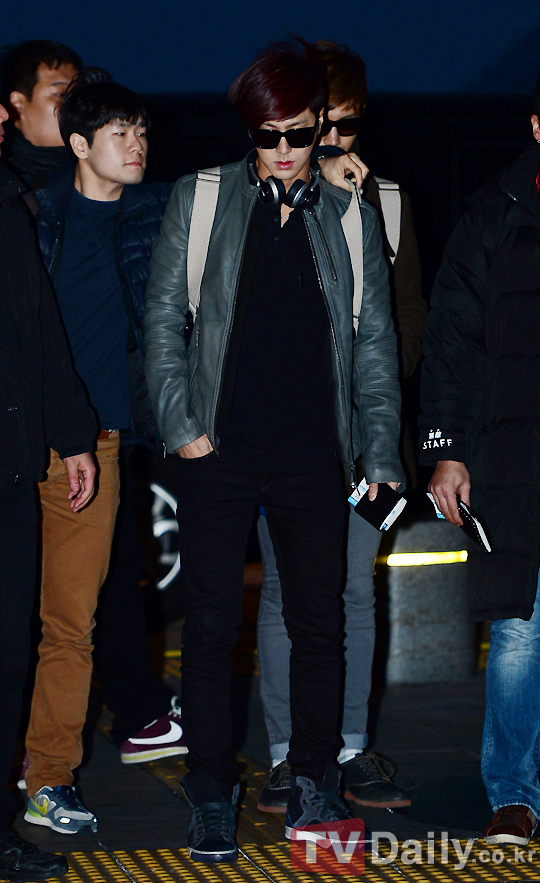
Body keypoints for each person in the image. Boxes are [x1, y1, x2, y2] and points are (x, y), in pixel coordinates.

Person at [144, 39, 404, 864]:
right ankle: (211, 790)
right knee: (212, 624)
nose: (285, 150)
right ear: (248, 129)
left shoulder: (350, 212)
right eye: (269, 134)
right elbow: (163, 320)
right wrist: (182, 426)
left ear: (321, 123)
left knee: (320, 621)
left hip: (314, 454)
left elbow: (375, 342)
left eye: (299, 132)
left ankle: (316, 782)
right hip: (217, 450)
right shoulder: (201, 196)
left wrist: (379, 453)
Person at [2, 42, 184, 775]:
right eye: (120, 132)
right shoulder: (33, 213)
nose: (136, 144)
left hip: (101, 442)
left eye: (141, 132)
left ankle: (47, 773)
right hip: (24, 437)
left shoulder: (157, 212)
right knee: (19, 620)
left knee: (71, 621)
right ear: (81, 144)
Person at [256, 39, 425, 814]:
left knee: (355, 589)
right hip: (280, 427)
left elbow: (408, 321)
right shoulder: (260, 194)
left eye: (345, 126)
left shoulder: (386, 199)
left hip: (358, 434)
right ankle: (288, 754)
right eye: (316, 124)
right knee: (286, 592)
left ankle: (350, 747)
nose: (328, 141)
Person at [419, 72, 540, 847]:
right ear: (537, 126)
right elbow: (449, 342)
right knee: (520, 628)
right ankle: (515, 797)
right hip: (509, 453)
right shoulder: (494, 212)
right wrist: (447, 451)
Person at [0, 98, 96, 881]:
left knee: (9, 652)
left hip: (10, 464)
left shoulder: (7, 202)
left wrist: (71, 435)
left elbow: (40, 326)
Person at [1, 40, 83, 185]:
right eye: (60, 94)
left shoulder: (106, 175)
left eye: (78, 95)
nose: (76, 105)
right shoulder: (5, 180)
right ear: (18, 102)